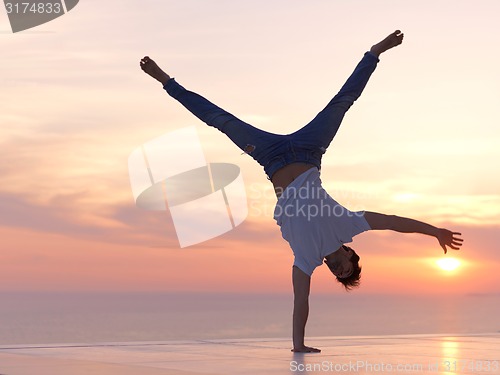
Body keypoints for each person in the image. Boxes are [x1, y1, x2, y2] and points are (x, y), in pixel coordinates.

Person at [140, 30, 464, 353]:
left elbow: (301, 302)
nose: (338, 270)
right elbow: (393, 221)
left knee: (219, 120)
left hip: (271, 157)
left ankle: (166, 80)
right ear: (350, 252)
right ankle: (374, 53)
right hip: (310, 150)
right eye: (345, 267)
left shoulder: (307, 260)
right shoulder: (347, 225)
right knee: (343, 102)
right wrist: (434, 230)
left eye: (338, 274)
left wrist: (299, 345)